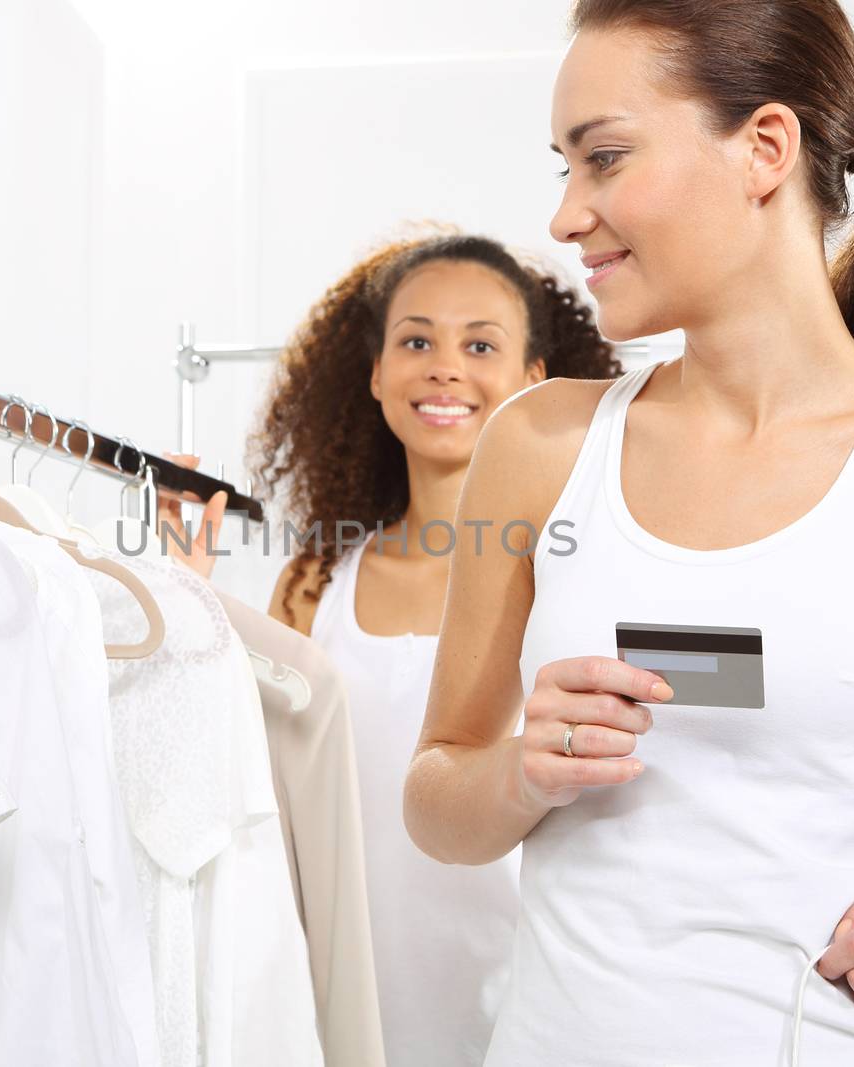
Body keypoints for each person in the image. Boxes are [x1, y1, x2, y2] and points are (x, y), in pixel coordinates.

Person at [402, 2, 854, 1065]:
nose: (566, 216)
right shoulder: (538, 444)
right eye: (562, 167)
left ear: (764, 148)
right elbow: (437, 799)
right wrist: (524, 769)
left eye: (603, 157)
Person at [170, 230, 621, 1065]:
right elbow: (252, 790)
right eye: (416, 340)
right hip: (348, 1005)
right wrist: (182, 596)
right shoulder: (315, 583)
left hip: (536, 1014)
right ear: (376, 373)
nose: (444, 366)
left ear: (534, 382)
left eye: (479, 344)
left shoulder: (578, 581)